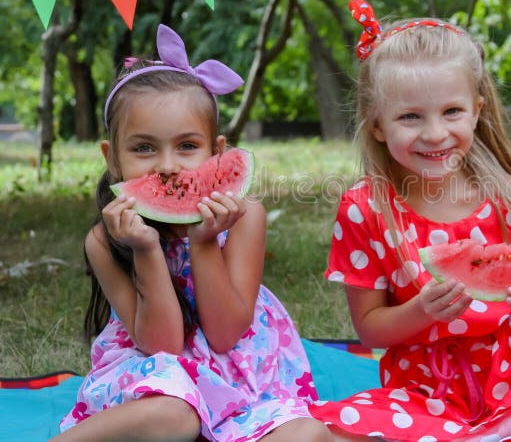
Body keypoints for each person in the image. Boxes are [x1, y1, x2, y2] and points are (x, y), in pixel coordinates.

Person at [309, 0, 511, 441]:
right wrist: (421, 311)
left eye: (452, 112)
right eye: (410, 117)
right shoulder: (365, 209)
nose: (435, 134)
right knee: (327, 433)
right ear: (377, 124)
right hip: (425, 390)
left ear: (477, 111)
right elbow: (369, 328)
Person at [54, 24, 330, 442]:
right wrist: (146, 250)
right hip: (156, 376)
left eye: (187, 146)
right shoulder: (105, 240)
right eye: (143, 148)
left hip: (239, 381)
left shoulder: (245, 217)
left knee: (309, 434)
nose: (167, 166)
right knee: (175, 416)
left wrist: (203, 242)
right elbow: (161, 344)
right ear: (112, 159)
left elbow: (223, 335)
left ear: (217, 153)